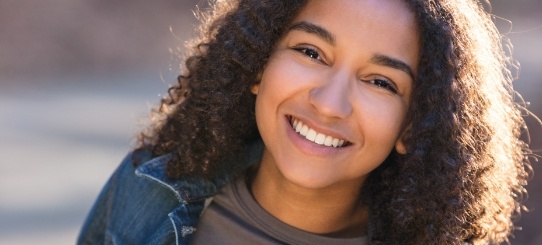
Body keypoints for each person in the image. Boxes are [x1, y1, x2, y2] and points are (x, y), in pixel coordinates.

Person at [78, 0, 533, 244]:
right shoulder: (151, 189)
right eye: (311, 53)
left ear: (414, 127)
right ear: (257, 65)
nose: (330, 104)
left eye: (380, 82)